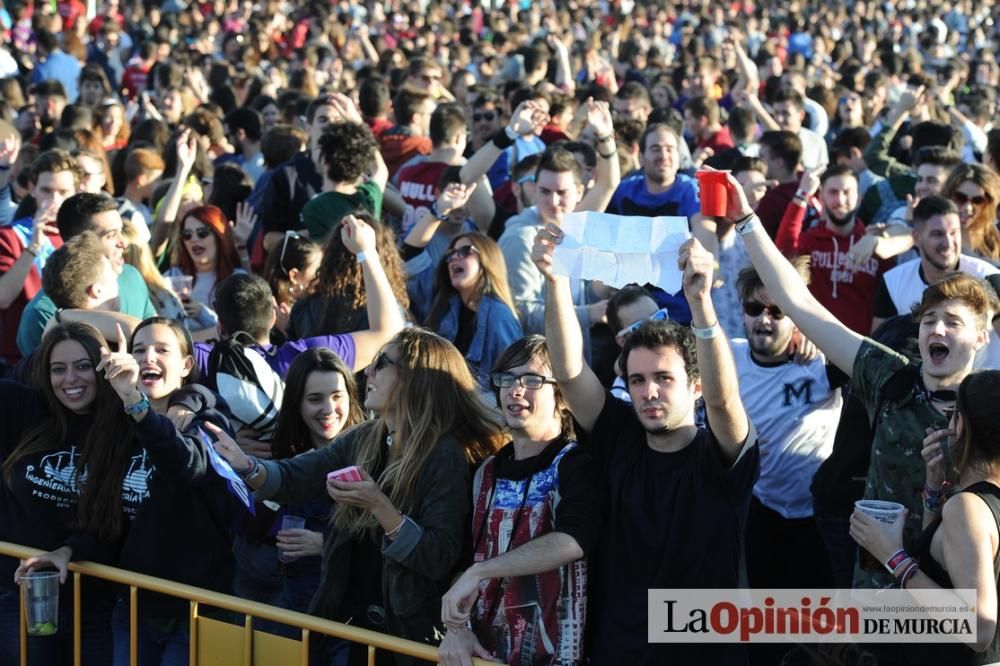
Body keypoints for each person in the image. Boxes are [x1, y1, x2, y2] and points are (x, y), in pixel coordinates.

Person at [723, 170, 995, 590]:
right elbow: (798, 303)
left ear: (981, 337)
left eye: (952, 322)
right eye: (929, 321)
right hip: (876, 593)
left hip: (950, 605)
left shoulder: (987, 404)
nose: (936, 331)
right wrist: (746, 221)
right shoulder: (889, 375)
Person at [531, 209, 758, 663]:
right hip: (619, 650)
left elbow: (723, 402)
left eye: (664, 378)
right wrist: (554, 282)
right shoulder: (620, 434)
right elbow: (571, 372)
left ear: (694, 385)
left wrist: (701, 305)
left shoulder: (722, 452)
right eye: (637, 380)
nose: (649, 391)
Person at [211, 328, 504, 665]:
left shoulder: (443, 454)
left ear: (412, 378)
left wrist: (379, 505)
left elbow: (437, 556)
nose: (368, 372)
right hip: (353, 626)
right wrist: (246, 465)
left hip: (407, 637)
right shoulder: (367, 435)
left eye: (381, 363)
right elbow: (297, 474)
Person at [21, 317, 240, 666]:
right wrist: (67, 552)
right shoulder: (116, 428)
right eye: (139, 350)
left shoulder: (205, 419)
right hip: (134, 607)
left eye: (161, 349)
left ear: (186, 365)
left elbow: (184, 465)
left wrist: (147, 403)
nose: (148, 357)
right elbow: (109, 525)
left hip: (194, 609)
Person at [439, 335, 602, 665]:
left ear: (563, 396)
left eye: (532, 380)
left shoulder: (577, 464)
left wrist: (481, 572)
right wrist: (457, 631)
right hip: (484, 657)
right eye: (506, 379)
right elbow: (460, 564)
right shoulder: (485, 471)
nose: (515, 390)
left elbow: (573, 540)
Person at [851, 371, 1000, 665]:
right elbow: (947, 566)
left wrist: (893, 557)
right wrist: (934, 491)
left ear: (963, 427)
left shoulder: (967, 508)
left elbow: (980, 629)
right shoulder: (979, 503)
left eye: (953, 413)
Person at [0, 323, 118, 665]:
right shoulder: (26, 410)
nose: (71, 379)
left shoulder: (122, 427)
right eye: (58, 369)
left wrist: (69, 551)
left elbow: (118, 520)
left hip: (93, 601)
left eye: (83, 366)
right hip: (18, 594)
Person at [233, 348, 365, 614]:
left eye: (337, 396)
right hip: (280, 601)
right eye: (315, 399)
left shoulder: (369, 455)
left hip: (341, 615)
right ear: (297, 404)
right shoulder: (280, 452)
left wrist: (325, 544)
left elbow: (381, 542)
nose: (329, 409)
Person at [18, 192, 159, 358]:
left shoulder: (131, 276)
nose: (123, 242)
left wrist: (65, 317)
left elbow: (156, 337)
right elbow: (42, 379)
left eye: (121, 231)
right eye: (110, 235)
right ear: (79, 241)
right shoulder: (40, 313)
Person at [0, 149, 79, 369]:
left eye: (63, 192)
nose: (54, 200)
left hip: (74, 354)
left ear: (76, 191)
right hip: (22, 358)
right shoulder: (10, 235)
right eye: (47, 190)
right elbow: (3, 298)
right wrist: (33, 245)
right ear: (32, 189)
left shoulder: (82, 236)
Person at [425, 232, 523, 388]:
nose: (454, 258)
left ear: (487, 260)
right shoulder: (445, 307)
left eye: (464, 251)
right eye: (450, 254)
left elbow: (512, 377)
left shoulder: (499, 315)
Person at [163, 204, 244, 335]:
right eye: (187, 235)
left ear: (219, 236)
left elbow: (238, 330)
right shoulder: (172, 277)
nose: (194, 239)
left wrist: (201, 313)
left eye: (202, 233)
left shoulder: (238, 280)